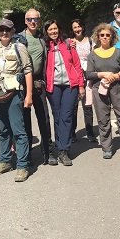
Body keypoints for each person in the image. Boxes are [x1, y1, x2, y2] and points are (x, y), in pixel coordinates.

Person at [0, 18, 33, 182]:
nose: (4, 33)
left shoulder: (20, 48)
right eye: (1, 30)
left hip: (14, 95)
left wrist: (29, 96)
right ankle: (5, 161)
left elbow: (28, 71)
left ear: (12, 32)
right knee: (3, 131)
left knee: (18, 131)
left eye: (7, 30)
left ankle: (22, 165)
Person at [85, 24, 120, 160]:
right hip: (100, 90)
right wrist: (103, 74)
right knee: (103, 120)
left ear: (112, 37)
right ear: (97, 37)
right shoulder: (93, 54)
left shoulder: (118, 52)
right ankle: (107, 148)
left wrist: (117, 76)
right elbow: (89, 74)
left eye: (107, 35)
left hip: (118, 88)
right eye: (102, 35)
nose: (105, 37)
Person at [43, 20, 85, 166]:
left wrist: (81, 85)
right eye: (50, 30)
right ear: (46, 32)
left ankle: (64, 150)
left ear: (59, 29)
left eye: (55, 29)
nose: (53, 32)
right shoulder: (45, 46)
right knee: (57, 116)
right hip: (53, 86)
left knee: (66, 116)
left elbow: (77, 65)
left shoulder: (67, 44)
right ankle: (60, 145)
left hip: (70, 85)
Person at [18, 8, 56, 166]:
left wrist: (71, 41)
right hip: (22, 84)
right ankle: (27, 155)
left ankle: (48, 151)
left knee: (44, 118)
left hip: (39, 82)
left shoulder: (43, 38)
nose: (33, 22)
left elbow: (59, 39)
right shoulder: (18, 39)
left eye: (36, 19)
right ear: (25, 21)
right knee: (25, 120)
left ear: (40, 21)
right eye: (29, 19)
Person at [68, 19, 97, 143]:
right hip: (75, 76)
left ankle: (90, 132)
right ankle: (72, 133)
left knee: (87, 105)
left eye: (79, 26)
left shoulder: (91, 41)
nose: (77, 29)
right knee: (73, 106)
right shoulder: (70, 42)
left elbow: (96, 56)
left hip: (88, 76)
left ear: (83, 27)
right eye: (75, 27)